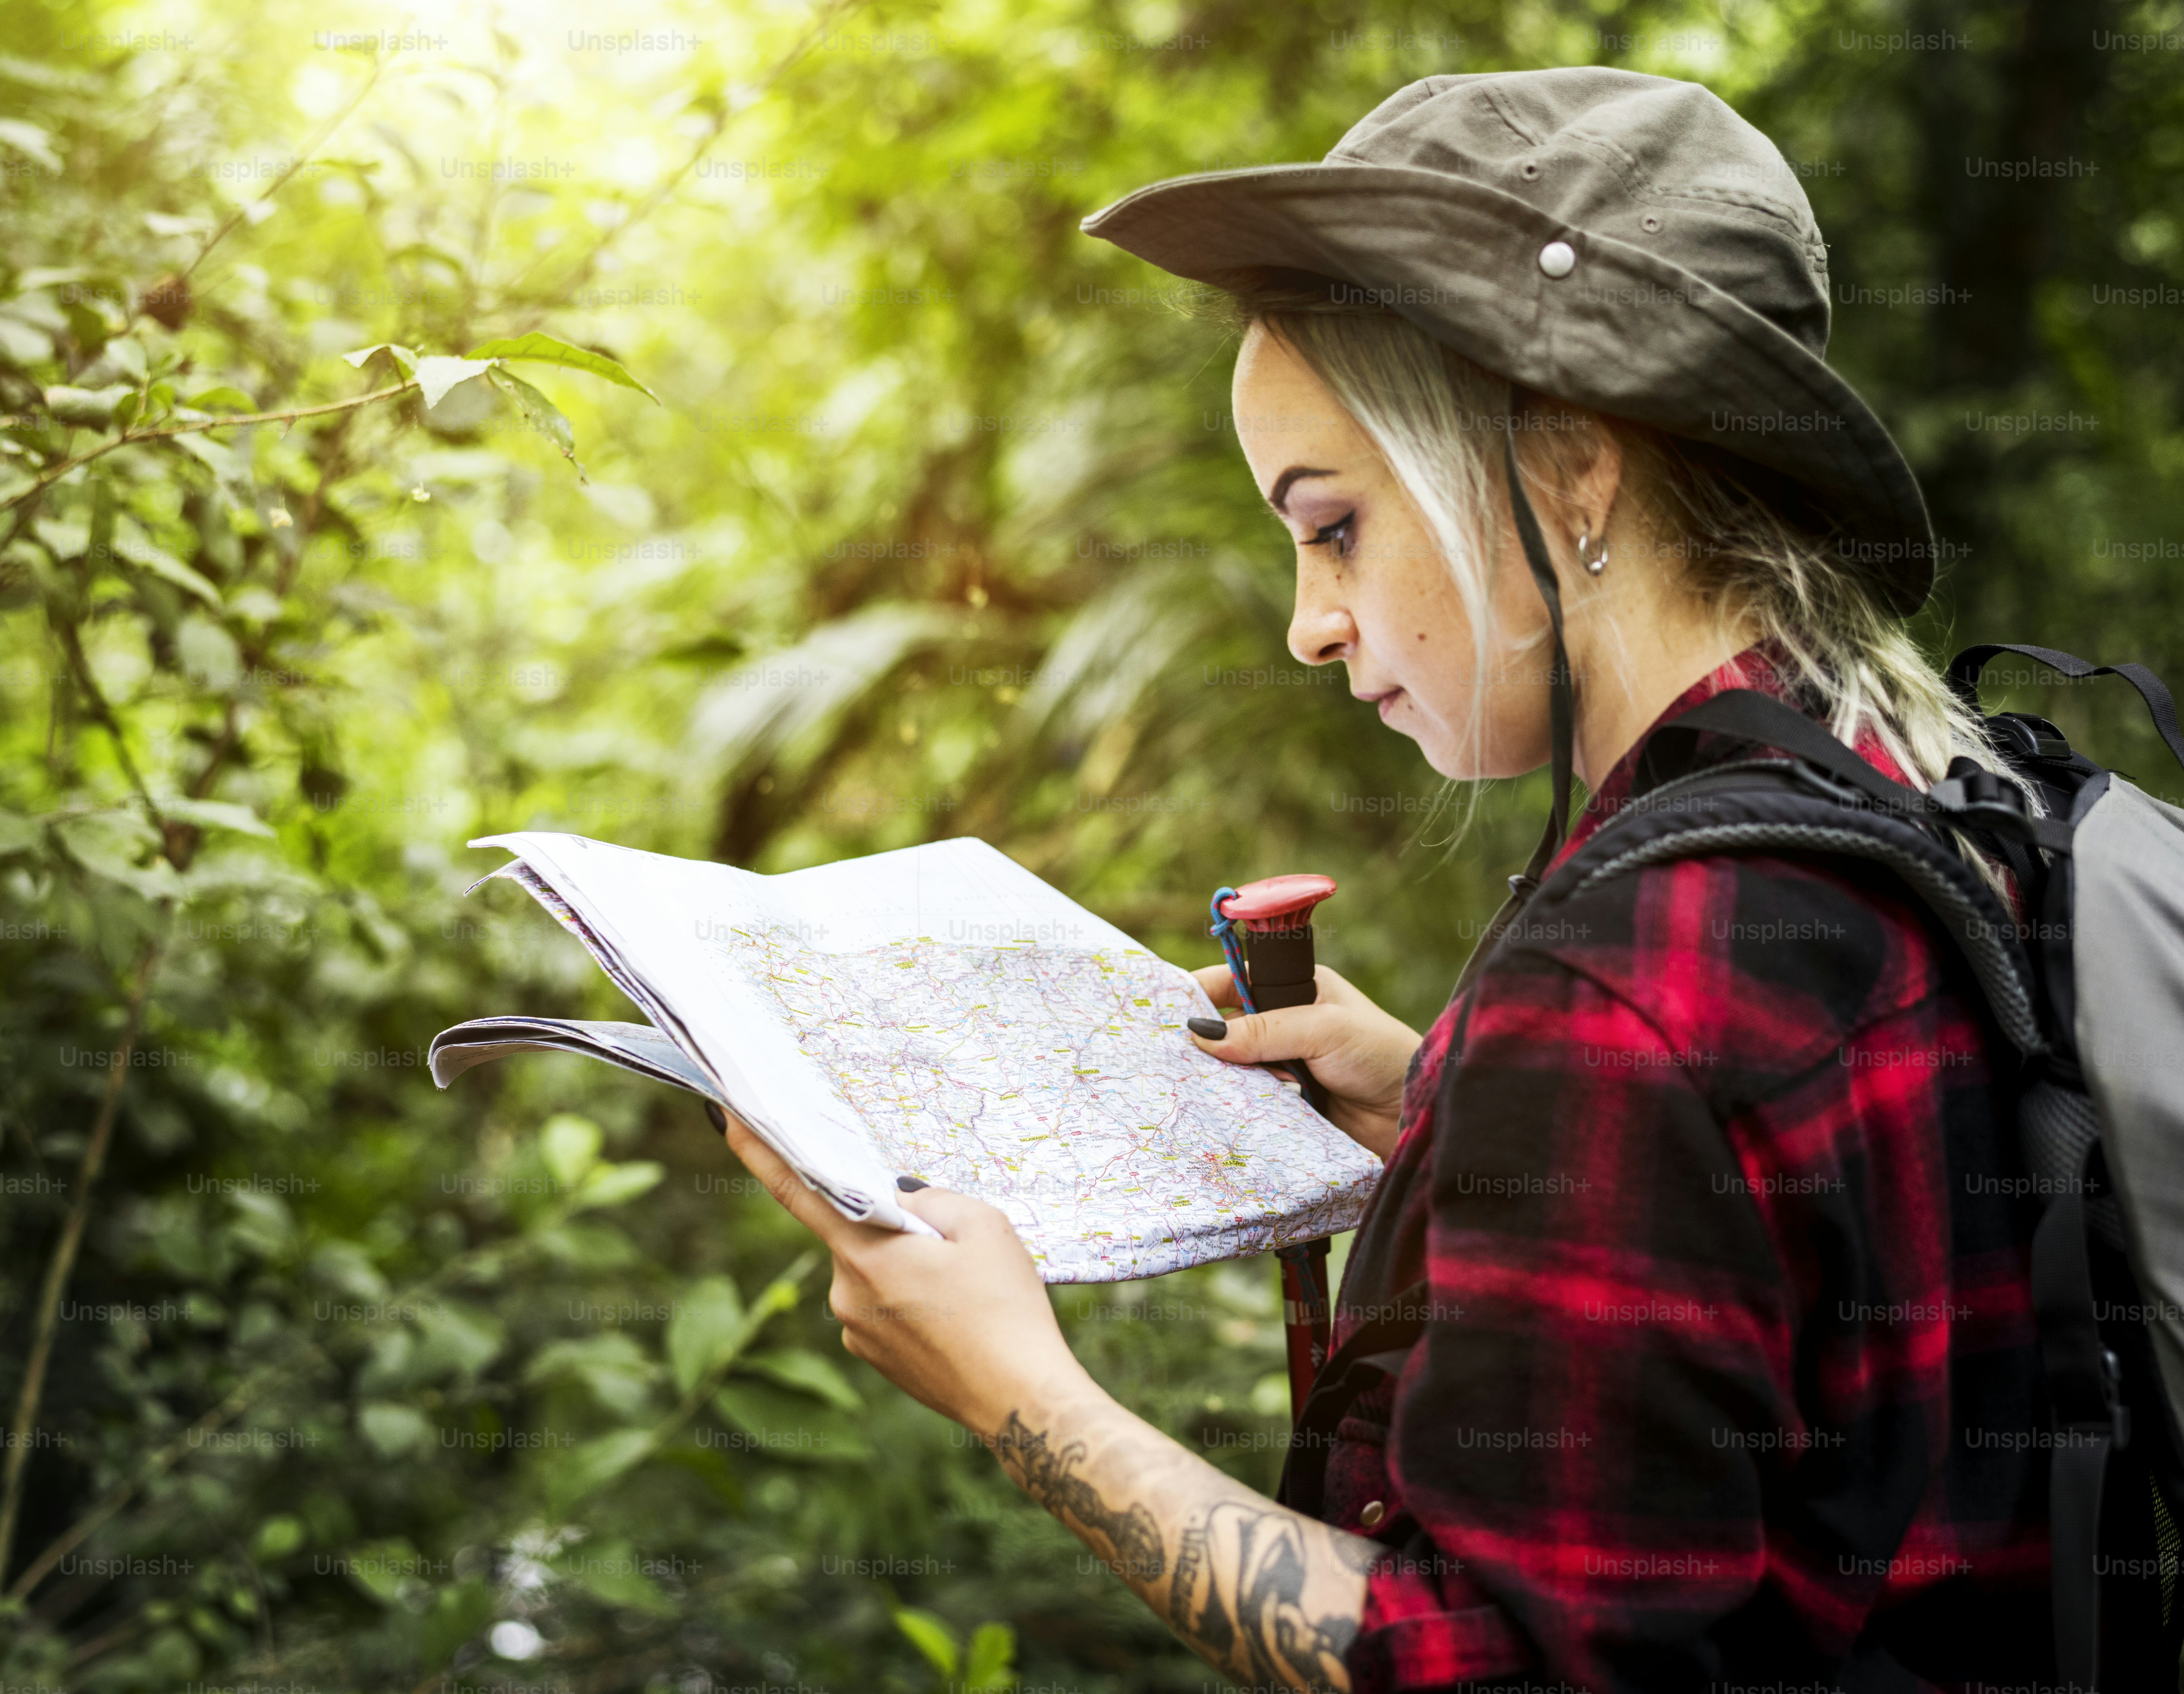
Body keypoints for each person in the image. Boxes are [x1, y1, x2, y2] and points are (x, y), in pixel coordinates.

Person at [721, 69, 2053, 1693]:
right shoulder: (1892, 787)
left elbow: (1507, 1669)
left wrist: (1019, 1393)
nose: (1310, 622)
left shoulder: (1635, 974)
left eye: (1334, 526)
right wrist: (1452, 1109)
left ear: (1572, 472)